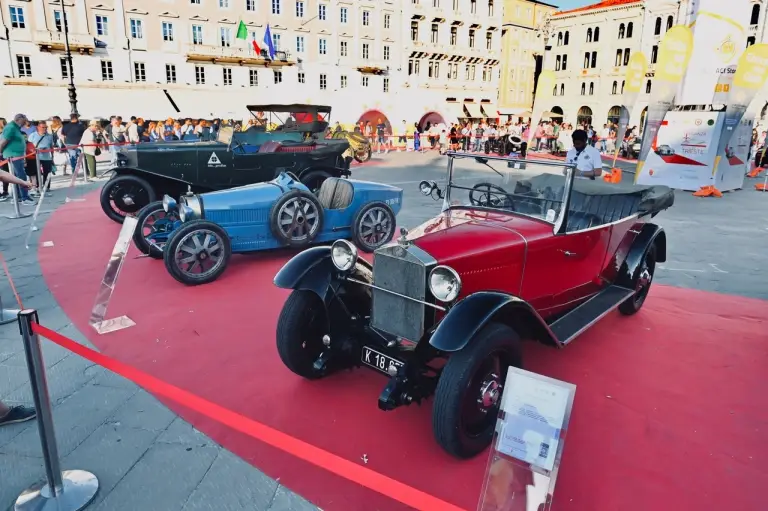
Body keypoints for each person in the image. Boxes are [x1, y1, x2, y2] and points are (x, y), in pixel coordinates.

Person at [0, 113, 35, 205]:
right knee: (20, 176)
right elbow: (3, 142)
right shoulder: (11, 128)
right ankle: (24, 197)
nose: (24, 123)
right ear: (19, 119)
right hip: (13, 156)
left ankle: (19, 197)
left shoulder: (15, 128)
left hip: (16, 156)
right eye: (24, 121)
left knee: (15, 177)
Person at [28, 119, 55, 194]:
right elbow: (29, 146)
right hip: (36, 157)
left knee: (47, 171)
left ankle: (46, 186)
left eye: (46, 127)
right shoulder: (33, 135)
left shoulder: (49, 136)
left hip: (46, 157)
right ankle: (36, 186)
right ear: (38, 127)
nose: (44, 129)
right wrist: (36, 149)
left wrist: (52, 157)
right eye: (43, 127)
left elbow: (51, 146)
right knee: (36, 172)